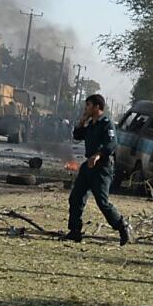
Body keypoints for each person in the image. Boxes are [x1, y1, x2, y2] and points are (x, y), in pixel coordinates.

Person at [63, 93, 131, 245]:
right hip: (88, 166)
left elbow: (111, 144)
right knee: (76, 197)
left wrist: (98, 156)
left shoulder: (106, 123)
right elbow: (77, 135)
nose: (86, 108)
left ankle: (122, 226)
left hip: (102, 167)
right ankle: (75, 231)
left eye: (88, 105)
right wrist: (82, 121)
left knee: (102, 202)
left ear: (97, 107)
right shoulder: (91, 124)